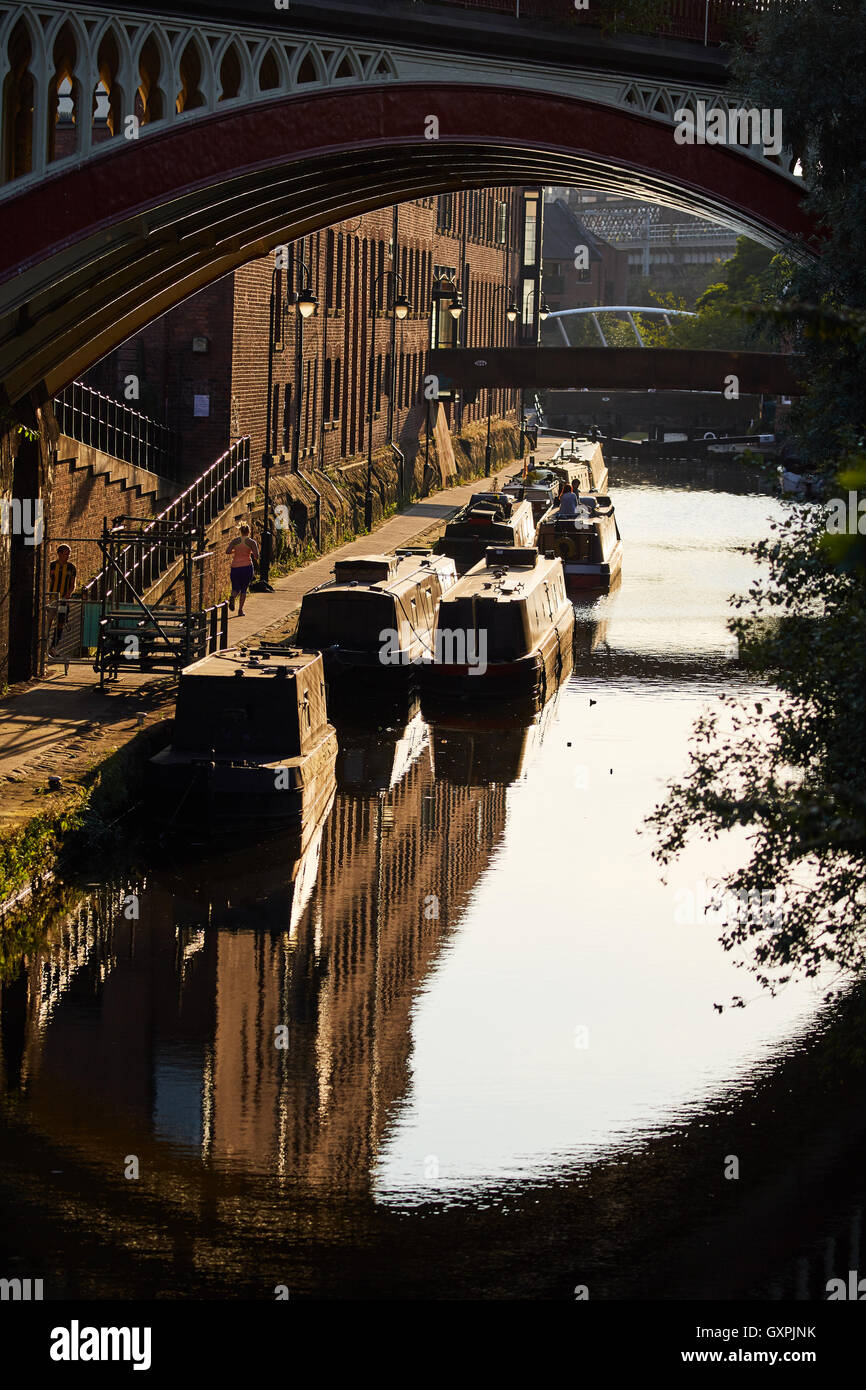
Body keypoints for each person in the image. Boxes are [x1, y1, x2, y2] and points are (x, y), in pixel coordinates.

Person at [48, 544, 76, 654]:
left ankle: (53, 646)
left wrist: (68, 594)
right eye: (65, 554)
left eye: (68, 554)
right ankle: (45, 643)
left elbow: (72, 585)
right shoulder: (52, 566)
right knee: (48, 623)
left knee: (60, 622)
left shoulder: (71, 567)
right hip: (52, 600)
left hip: (63, 600)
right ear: (59, 554)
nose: (67, 556)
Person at [226, 522, 259, 617]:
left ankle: (232, 597)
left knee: (235, 587)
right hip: (247, 566)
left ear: (241, 531)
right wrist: (251, 552)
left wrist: (235, 551)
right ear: (248, 532)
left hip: (235, 567)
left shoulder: (235, 541)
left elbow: (227, 551)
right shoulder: (251, 542)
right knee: (244, 588)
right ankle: (240, 610)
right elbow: (256, 556)